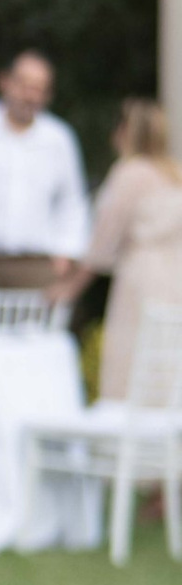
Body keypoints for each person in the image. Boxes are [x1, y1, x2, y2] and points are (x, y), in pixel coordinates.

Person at [54, 98, 182, 397]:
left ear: (125, 131)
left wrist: (69, 288)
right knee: (169, 365)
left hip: (142, 282)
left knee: (134, 364)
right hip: (177, 280)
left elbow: (102, 245)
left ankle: (132, 436)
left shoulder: (129, 174)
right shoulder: (175, 174)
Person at [0, 50, 90, 315]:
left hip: (36, 264)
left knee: (34, 346)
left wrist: (66, 253)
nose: (30, 95)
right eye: (25, 85)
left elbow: (73, 202)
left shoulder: (59, 138)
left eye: (39, 89)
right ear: (4, 82)